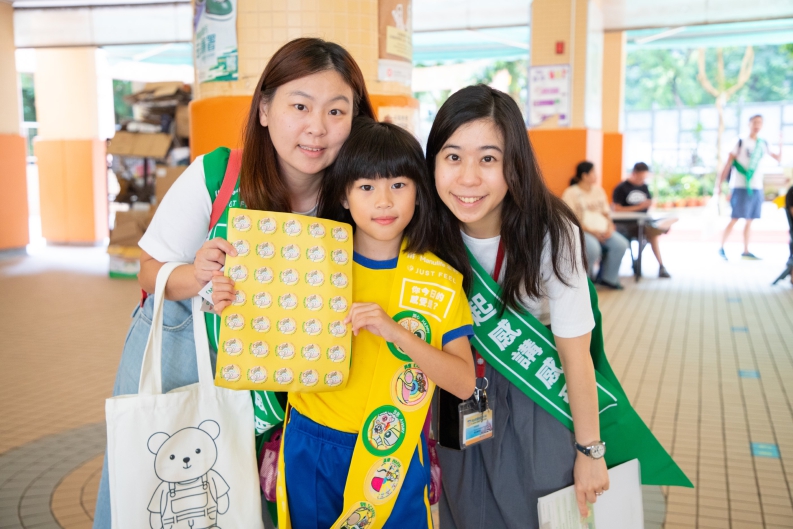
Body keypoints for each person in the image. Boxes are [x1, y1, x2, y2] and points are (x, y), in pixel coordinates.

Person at [92, 38, 376, 529]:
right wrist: (198, 276)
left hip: (294, 394)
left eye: (337, 111)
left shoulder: (359, 198)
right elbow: (149, 270)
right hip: (193, 368)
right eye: (300, 106)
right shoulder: (218, 174)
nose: (317, 127)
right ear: (264, 109)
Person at [213, 118, 476, 528]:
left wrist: (396, 333)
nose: (384, 201)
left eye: (399, 185)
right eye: (366, 187)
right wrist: (231, 301)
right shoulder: (310, 261)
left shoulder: (438, 280)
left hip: (394, 451)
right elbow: (263, 334)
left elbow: (463, 383)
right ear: (344, 196)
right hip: (312, 441)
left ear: (420, 193)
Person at [427, 85, 609, 529]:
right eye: (453, 157)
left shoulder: (552, 232)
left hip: (532, 399)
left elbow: (576, 355)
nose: (468, 178)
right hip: (454, 399)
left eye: (488, 159)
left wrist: (589, 451)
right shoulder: (424, 228)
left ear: (514, 164)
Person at [716, 114, 783, 260]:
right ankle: (721, 247)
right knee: (735, 217)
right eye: (755, 122)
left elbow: (778, 158)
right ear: (749, 124)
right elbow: (728, 164)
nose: (757, 125)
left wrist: (780, 143)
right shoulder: (740, 141)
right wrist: (719, 184)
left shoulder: (762, 143)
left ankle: (745, 250)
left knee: (750, 219)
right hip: (740, 186)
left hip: (756, 187)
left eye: (760, 122)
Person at [562, 161, 629, 289]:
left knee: (621, 244)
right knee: (593, 248)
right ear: (584, 175)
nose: (596, 175)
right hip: (582, 230)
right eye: (593, 172)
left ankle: (609, 279)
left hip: (602, 230)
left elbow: (606, 213)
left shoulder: (599, 191)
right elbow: (569, 219)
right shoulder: (570, 193)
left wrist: (609, 228)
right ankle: (584, 282)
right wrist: (593, 233)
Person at [612, 162, 677, 278]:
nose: (642, 180)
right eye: (640, 177)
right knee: (652, 234)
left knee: (654, 232)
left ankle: (659, 265)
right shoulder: (622, 187)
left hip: (644, 222)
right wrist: (639, 207)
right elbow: (617, 209)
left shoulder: (644, 187)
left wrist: (647, 205)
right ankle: (653, 263)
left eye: (644, 178)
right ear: (634, 173)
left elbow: (647, 204)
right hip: (627, 225)